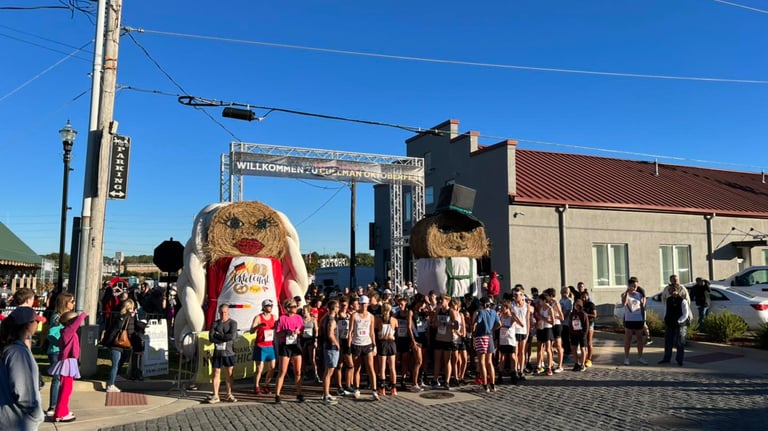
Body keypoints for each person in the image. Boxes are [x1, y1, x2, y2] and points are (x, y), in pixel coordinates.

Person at [0, 307, 45, 430]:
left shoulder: (8, 348)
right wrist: (36, 414)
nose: (38, 324)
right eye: (37, 321)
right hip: (18, 422)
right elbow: (24, 392)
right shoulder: (17, 352)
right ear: (27, 325)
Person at [49, 310, 88, 422]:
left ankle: (63, 410)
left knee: (66, 388)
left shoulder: (66, 331)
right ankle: (61, 413)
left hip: (69, 361)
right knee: (66, 389)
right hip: (68, 362)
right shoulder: (69, 331)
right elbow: (77, 322)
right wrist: (83, 315)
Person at [45, 292, 74, 417]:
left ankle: (61, 405)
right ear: (65, 303)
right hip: (56, 351)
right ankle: (53, 405)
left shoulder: (67, 316)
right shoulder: (57, 317)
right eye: (71, 301)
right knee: (57, 378)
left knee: (63, 379)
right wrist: (61, 343)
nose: (73, 304)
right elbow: (52, 334)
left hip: (64, 351)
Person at [102, 299, 136, 393]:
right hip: (119, 343)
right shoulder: (129, 317)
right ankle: (110, 384)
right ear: (131, 307)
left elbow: (112, 329)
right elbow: (130, 331)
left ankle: (114, 378)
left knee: (119, 360)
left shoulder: (119, 316)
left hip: (114, 342)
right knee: (115, 365)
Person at [349, 295, 380, 400]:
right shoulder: (354, 315)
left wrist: (374, 345)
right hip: (356, 344)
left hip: (367, 344)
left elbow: (372, 332)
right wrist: (349, 346)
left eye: (365, 304)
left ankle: (374, 390)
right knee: (357, 368)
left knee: (370, 368)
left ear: (368, 304)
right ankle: (356, 389)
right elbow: (350, 331)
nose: (363, 306)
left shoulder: (371, 316)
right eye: (361, 304)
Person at [274, 298, 305, 403]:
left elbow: (302, 330)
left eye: (296, 306)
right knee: (282, 371)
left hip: (296, 345)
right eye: (294, 307)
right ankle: (277, 394)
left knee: (298, 371)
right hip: (285, 345)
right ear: (288, 308)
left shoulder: (299, 318)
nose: (296, 308)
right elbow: (277, 334)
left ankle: (299, 393)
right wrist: (285, 332)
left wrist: (298, 332)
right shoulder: (282, 319)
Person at [207, 304, 238, 403]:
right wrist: (222, 337)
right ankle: (215, 395)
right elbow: (211, 338)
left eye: (225, 312)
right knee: (216, 373)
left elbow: (231, 336)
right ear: (219, 313)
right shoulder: (215, 324)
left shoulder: (233, 323)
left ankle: (229, 393)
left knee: (229, 373)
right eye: (221, 312)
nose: (223, 314)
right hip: (218, 353)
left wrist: (219, 335)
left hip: (229, 352)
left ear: (228, 312)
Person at [472, 297, 500, 392]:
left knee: (482, 362)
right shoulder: (493, 312)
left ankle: (485, 384)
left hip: (481, 337)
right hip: (490, 337)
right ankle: (492, 384)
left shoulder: (481, 312)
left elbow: (476, 323)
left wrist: (474, 331)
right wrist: (492, 329)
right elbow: (499, 323)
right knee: (490, 362)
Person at [250, 299, 277, 395]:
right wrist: (259, 326)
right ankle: (256, 386)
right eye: (268, 305)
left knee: (273, 367)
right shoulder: (258, 317)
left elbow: (277, 328)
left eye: (271, 305)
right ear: (264, 307)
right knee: (259, 368)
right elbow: (251, 331)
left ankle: (266, 385)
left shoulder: (274, 317)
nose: (270, 307)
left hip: (270, 345)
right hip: (260, 346)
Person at [659, 284, 690, 366]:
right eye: (669, 290)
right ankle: (666, 358)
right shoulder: (668, 300)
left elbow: (685, 314)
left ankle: (680, 360)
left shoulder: (683, 301)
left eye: (672, 290)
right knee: (668, 342)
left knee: (680, 342)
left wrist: (679, 321)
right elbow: (666, 310)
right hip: (670, 323)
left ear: (676, 290)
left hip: (681, 324)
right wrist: (665, 319)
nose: (670, 291)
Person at [621, 277, 648, 365]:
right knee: (628, 339)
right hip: (629, 320)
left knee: (639, 339)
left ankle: (640, 357)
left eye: (636, 286)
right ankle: (626, 358)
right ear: (629, 285)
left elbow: (643, 307)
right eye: (633, 286)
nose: (635, 287)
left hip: (638, 319)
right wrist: (627, 292)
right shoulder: (625, 294)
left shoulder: (639, 294)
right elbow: (624, 303)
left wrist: (644, 320)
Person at [320, 300, 340, 405]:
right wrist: (337, 344)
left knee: (328, 371)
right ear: (335, 308)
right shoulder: (332, 320)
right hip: (331, 347)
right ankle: (326, 394)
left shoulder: (326, 318)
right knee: (329, 372)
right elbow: (330, 334)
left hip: (327, 346)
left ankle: (325, 393)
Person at [568, 299, 590, 371]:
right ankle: (576, 363)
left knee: (583, 348)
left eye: (578, 305)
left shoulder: (583, 314)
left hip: (581, 334)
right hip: (574, 334)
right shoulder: (572, 314)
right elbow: (570, 324)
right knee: (574, 348)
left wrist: (584, 333)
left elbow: (586, 325)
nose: (576, 307)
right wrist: (571, 331)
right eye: (575, 305)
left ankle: (582, 364)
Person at [581, 289, 597, 367]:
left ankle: (589, 359)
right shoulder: (580, 305)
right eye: (582, 297)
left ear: (588, 297)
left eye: (585, 297)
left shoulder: (591, 304)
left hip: (590, 324)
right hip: (581, 325)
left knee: (589, 342)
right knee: (582, 342)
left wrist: (586, 314)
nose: (584, 298)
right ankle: (583, 358)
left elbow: (594, 315)